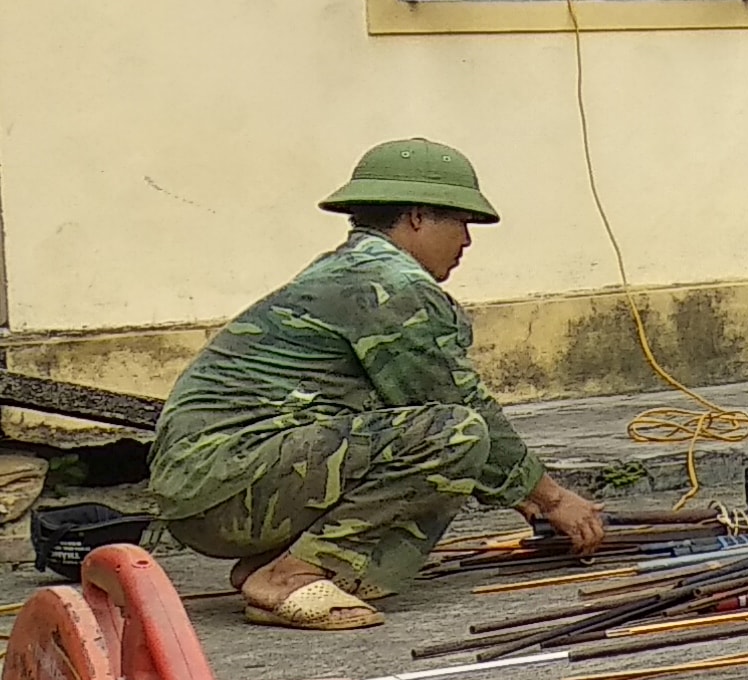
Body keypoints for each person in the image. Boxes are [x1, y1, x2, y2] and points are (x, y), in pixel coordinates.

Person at [148, 140, 605, 630]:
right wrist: (554, 499)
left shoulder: (350, 269)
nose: (467, 242)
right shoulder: (388, 283)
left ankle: (278, 560)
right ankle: (294, 575)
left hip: (215, 488)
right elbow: (452, 403)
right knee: (456, 432)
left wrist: (525, 497)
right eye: (460, 223)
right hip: (229, 485)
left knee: (429, 431)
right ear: (416, 217)